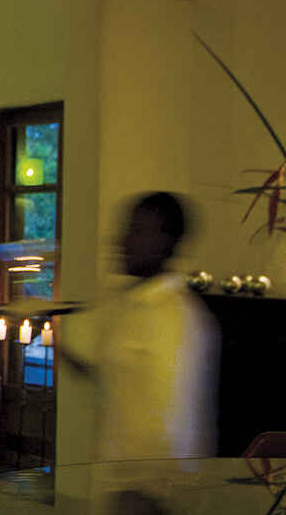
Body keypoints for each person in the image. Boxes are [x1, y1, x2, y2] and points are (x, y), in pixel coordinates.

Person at [62, 192, 219, 462]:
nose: (122, 241)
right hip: (114, 470)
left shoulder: (177, 316)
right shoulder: (125, 302)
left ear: (165, 242)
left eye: (137, 231)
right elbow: (98, 365)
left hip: (152, 478)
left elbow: (176, 426)